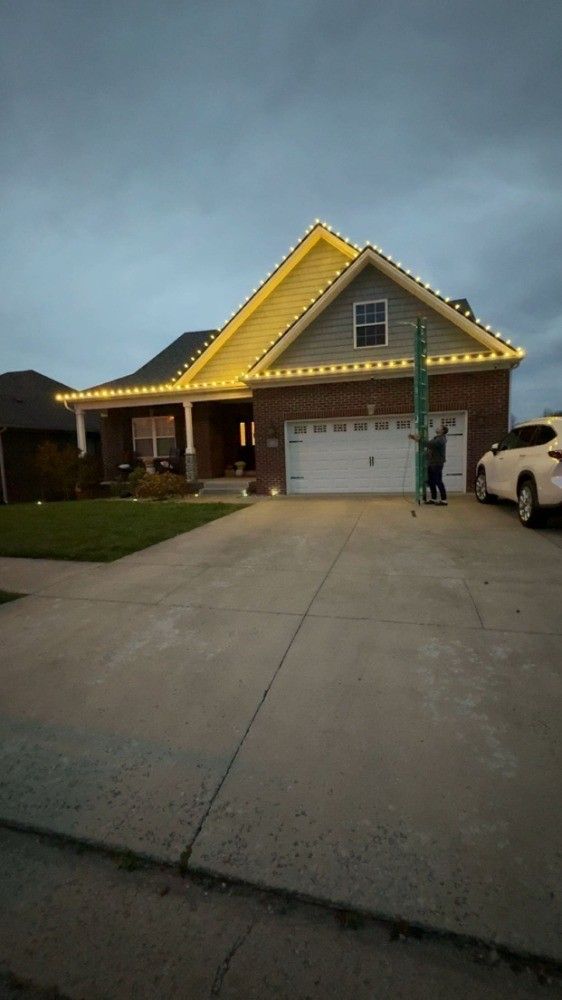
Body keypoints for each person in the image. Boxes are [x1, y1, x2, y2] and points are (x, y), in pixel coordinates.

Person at [408, 424, 449, 505]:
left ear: (443, 431)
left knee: (438, 481)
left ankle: (444, 500)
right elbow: (430, 447)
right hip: (431, 463)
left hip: (437, 463)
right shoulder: (436, 438)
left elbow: (430, 444)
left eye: (439, 427)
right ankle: (433, 499)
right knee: (431, 481)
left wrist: (419, 439)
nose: (437, 428)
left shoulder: (441, 439)